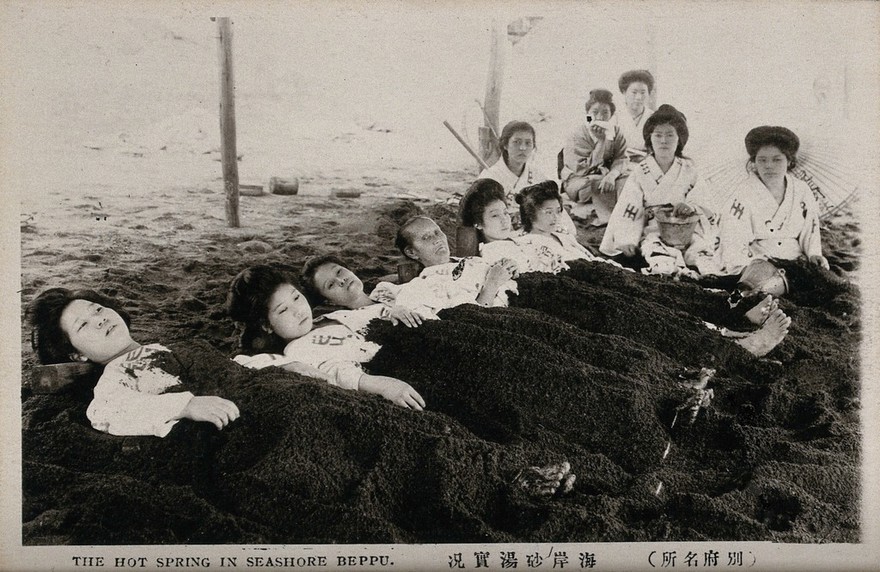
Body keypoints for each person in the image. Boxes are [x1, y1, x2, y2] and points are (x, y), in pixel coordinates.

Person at [396, 215, 792, 361]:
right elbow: (454, 330)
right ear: (411, 254)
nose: (439, 241)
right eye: (426, 240)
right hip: (515, 316)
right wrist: (489, 289)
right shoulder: (419, 288)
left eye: (437, 232)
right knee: (627, 322)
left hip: (538, 288)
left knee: (634, 302)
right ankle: (734, 348)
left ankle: (728, 323)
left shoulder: (471, 260)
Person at [460, 180, 783, 332]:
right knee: (652, 305)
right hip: (569, 287)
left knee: (662, 292)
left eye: (505, 214)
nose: (504, 221)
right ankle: (725, 320)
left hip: (592, 274)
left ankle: (734, 308)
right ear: (479, 224)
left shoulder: (519, 239)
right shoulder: (494, 252)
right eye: (495, 217)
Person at [27, 288, 241, 437]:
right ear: (76, 355)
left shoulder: (166, 347)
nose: (100, 319)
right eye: (83, 325)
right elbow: (108, 411)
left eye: (98, 309)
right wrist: (186, 406)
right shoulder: (118, 373)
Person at [227, 265, 426, 410]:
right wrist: (383, 385)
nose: (298, 311)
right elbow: (336, 371)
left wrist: (393, 311)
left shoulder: (331, 316)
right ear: (266, 325)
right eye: (283, 310)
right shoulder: (297, 350)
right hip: (388, 376)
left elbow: (370, 312)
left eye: (296, 297)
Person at [599, 104, 721, 277]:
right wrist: (627, 238)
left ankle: (706, 276)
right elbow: (629, 207)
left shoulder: (689, 170)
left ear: (680, 139)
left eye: (670, 135)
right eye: (658, 135)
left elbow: (703, 200)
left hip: (687, 227)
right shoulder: (641, 171)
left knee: (701, 252)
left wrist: (690, 207)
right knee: (657, 254)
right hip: (654, 228)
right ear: (650, 139)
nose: (664, 141)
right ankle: (670, 272)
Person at [717, 126, 829, 274]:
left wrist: (814, 254)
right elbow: (733, 238)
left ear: (789, 161)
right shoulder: (743, 193)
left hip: (796, 259)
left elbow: (811, 231)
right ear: (754, 162)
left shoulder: (802, 190)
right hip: (757, 260)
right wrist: (744, 267)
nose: (769, 166)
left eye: (777, 160)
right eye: (762, 160)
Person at [477, 121, 577, 235]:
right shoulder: (489, 177)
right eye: (516, 142)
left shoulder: (538, 176)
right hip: (504, 233)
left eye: (528, 143)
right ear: (505, 145)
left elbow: (555, 209)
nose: (523, 148)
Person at [300, 254, 425, 330]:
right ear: (329, 301)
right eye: (331, 284)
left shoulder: (383, 289)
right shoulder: (349, 319)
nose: (341, 280)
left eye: (339, 272)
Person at [561, 89, 629, 226]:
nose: (600, 117)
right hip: (580, 181)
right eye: (595, 112)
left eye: (605, 113)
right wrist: (601, 141)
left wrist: (612, 175)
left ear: (611, 115)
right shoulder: (577, 134)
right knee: (596, 181)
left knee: (628, 179)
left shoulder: (615, 131)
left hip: (607, 177)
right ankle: (609, 220)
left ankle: (625, 217)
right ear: (588, 115)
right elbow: (581, 170)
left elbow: (621, 158)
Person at [610, 69, 656, 161]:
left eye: (643, 93)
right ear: (624, 92)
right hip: (619, 163)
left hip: (646, 164)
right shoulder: (614, 116)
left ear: (649, 93)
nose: (638, 97)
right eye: (634, 92)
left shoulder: (654, 117)